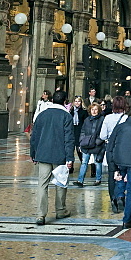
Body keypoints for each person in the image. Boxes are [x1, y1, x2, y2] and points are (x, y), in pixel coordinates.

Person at [29, 90, 74, 225]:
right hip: (60, 155)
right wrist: (70, 158)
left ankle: (40, 215)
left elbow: (34, 136)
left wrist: (33, 153)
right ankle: (60, 210)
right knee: (60, 183)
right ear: (65, 101)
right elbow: (69, 139)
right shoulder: (66, 116)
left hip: (43, 154)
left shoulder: (42, 115)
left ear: (52, 100)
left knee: (42, 184)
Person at [99, 95, 129, 203]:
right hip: (124, 148)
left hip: (110, 148)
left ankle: (113, 198)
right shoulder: (127, 118)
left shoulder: (108, 118)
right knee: (123, 172)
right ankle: (121, 195)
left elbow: (102, 136)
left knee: (112, 173)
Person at [73, 102, 105, 185]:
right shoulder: (87, 120)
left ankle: (98, 179)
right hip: (86, 144)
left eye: (96, 110)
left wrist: (98, 141)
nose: (94, 111)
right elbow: (83, 131)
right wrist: (82, 141)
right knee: (84, 162)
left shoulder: (102, 119)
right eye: (92, 109)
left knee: (97, 162)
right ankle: (80, 180)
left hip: (96, 144)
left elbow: (103, 132)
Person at [69, 95, 88, 161]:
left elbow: (86, 122)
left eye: (78, 101)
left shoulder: (84, 111)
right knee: (70, 149)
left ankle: (83, 162)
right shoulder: (70, 111)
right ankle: (70, 166)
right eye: (76, 101)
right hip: (72, 131)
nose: (77, 103)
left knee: (79, 149)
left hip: (80, 131)